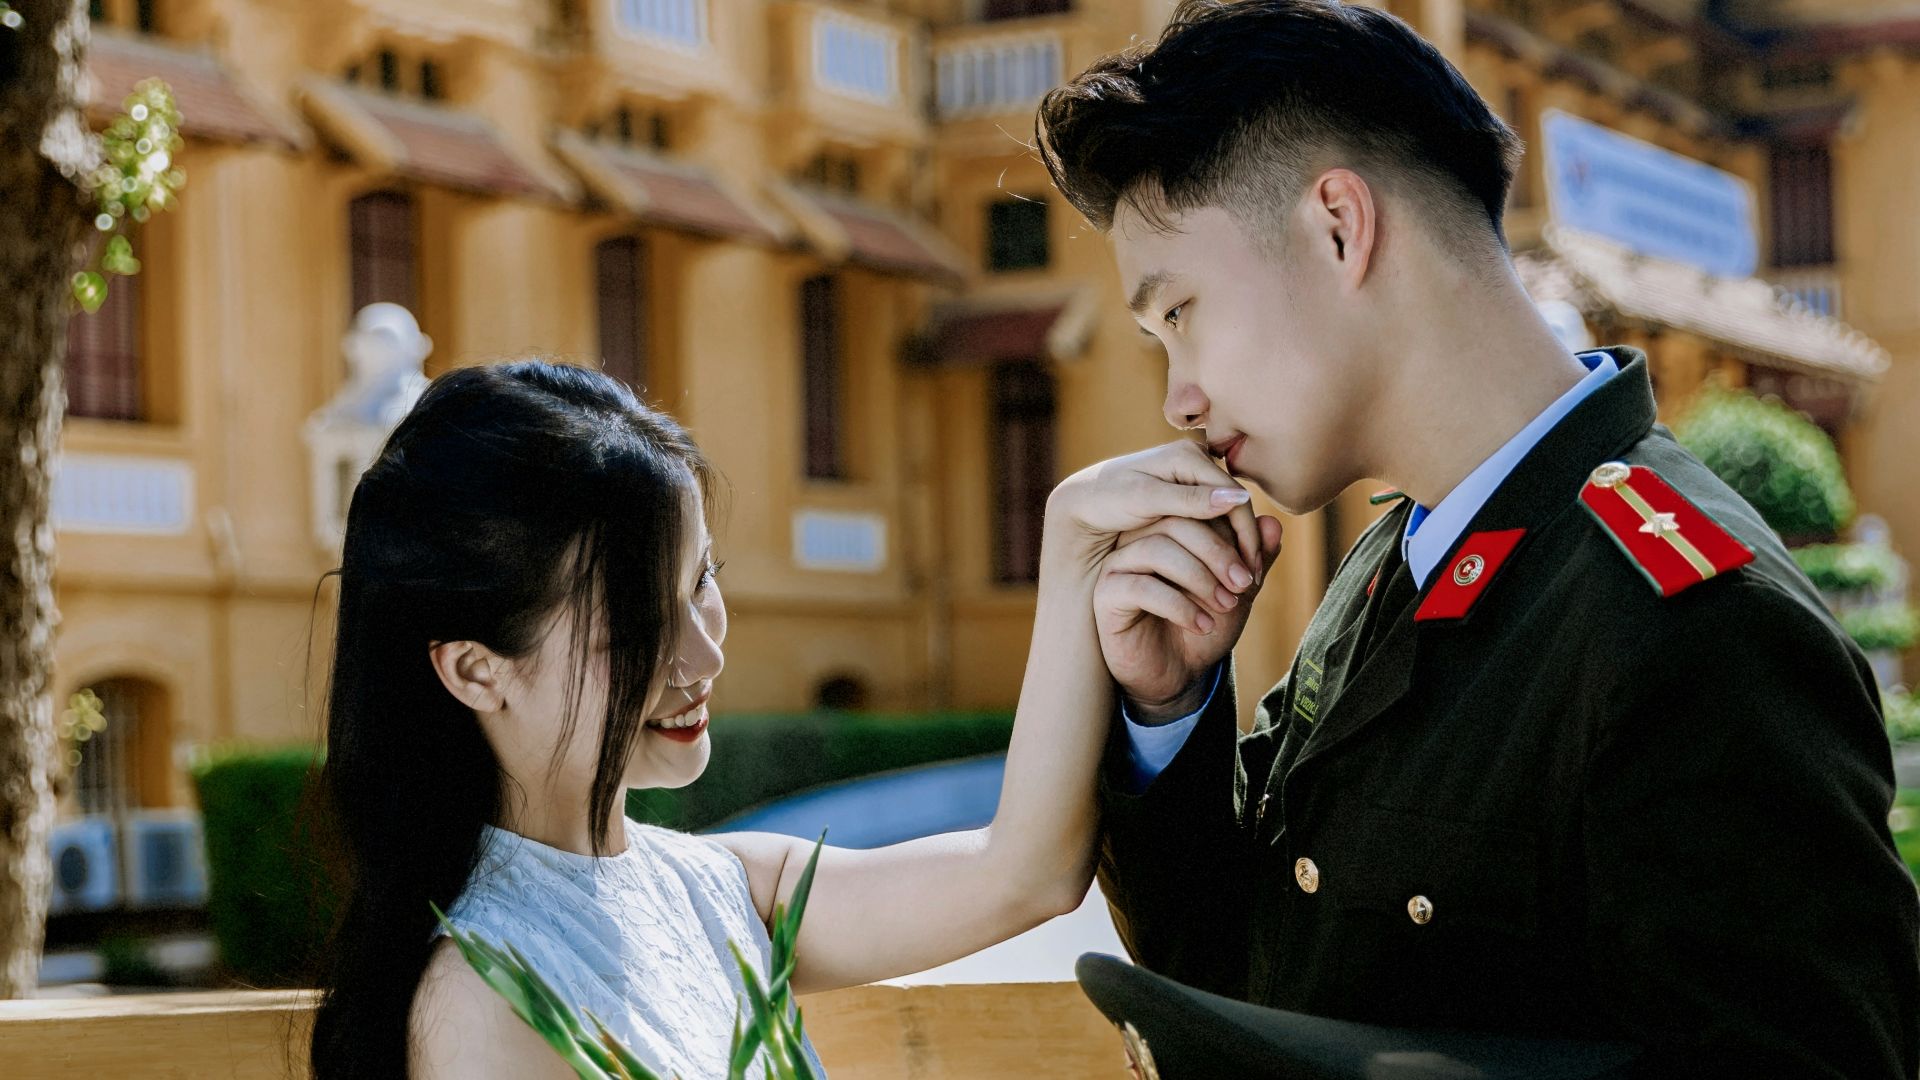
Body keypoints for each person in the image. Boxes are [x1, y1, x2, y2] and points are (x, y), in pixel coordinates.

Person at [1032, 1, 1920, 1075]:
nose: (1178, 398)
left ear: (1338, 227)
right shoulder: (1396, 562)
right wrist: (1168, 710)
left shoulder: (1695, 628)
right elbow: (1248, 984)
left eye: (1177, 315)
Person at [305, 360, 1273, 1078]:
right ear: (477, 669)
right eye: (643, 621)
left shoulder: (722, 889)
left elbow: (1026, 872)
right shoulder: (481, 997)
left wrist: (1074, 558)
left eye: (703, 585)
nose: (702, 653)